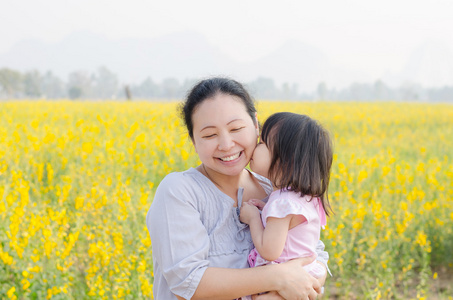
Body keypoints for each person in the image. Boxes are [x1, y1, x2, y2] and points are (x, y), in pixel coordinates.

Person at [146, 77, 330, 300]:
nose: (226, 145)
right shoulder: (179, 191)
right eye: (209, 135)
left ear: (255, 124)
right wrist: (277, 277)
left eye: (236, 128)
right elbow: (188, 283)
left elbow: (313, 253)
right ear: (193, 140)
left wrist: (304, 283)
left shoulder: (276, 189)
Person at [239, 112, 333, 299]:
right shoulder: (306, 197)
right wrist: (264, 207)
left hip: (282, 283)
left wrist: (253, 218)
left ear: (284, 161)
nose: (255, 147)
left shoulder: (282, 204)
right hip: (303, 274)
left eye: (262, 144)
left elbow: (269, 251)